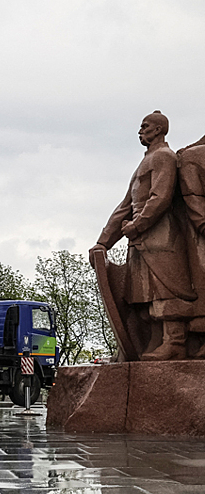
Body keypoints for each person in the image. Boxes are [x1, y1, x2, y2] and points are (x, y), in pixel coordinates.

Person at [92, 111, 197, 360]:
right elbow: (125, 206)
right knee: (143, 298)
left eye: (145, 126)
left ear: (159, 130)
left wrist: (138, 225)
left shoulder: (164, 157)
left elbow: (160, 197)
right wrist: (103, 242)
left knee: (167, 292)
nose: (140, 131)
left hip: (162, 237)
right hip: (139, 240)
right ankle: (154, 340)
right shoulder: (145, 161)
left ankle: (175, 342)